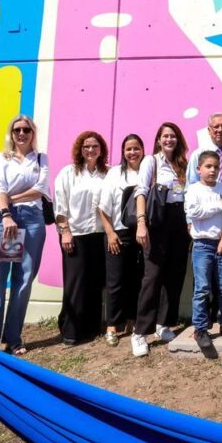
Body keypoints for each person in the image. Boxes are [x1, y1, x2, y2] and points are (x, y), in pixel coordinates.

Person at [0, 115, 50, 355]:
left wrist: (9, 197)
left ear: (32, 132)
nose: (21, 133)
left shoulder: (40, 159)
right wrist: (6, 212)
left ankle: (13, 338)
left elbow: (39, 190)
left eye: (26, 129)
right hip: (3, 219)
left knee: (23, 280)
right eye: (17, 129)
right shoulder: (0, 159)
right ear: (11, 133)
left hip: (31, 220)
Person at [133, 122, 191, 357]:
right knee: (153, 276)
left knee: (175, 274)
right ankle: (140, 332)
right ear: (158, 139)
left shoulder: (182, 165)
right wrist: (140, 223)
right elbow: (141, 191)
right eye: (165, 136)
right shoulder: (151, 161)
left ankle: (163, 324)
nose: (169, 140)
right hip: (157, 221)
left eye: (173, 136)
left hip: (180, 221)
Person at [53, 130, 108, 346]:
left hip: (99, 235)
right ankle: (71, 331)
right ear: (80, 149)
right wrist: (65, 230)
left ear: (101, 149)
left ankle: (91, 328)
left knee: (95, 284)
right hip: (76, 234)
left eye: (95, 146)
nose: (91, 150)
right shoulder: (69, 173)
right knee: (75, 284)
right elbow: (60, 204)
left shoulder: (108, 173)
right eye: (86, 146)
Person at [185, 151, 222, 357]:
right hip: (202, 245)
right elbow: (193, 212)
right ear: (199, 169)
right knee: (202, 288)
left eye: (215, 166)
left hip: (221, 243)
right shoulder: (194, 190)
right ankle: (200, 328)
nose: (212, 170)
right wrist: (219, 206)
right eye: (208, 166)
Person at [97, 134, 146, 346]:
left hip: (143, 233)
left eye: (136, 148)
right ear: (123, 152)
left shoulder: (148, 172)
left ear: (143, 150)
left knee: (138, 279)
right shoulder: (115, 174)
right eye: (128, 149)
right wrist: (110, 233)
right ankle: (112, 325)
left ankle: (133, 319)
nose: (133, 153)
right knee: (115, 281)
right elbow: (102, 207)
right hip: (119, 232)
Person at [187, 113, 222, 199]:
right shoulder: (198, 154)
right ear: (209, 130)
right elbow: (191, 184)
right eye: (216, 127)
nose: (220, 130)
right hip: (206, 207)